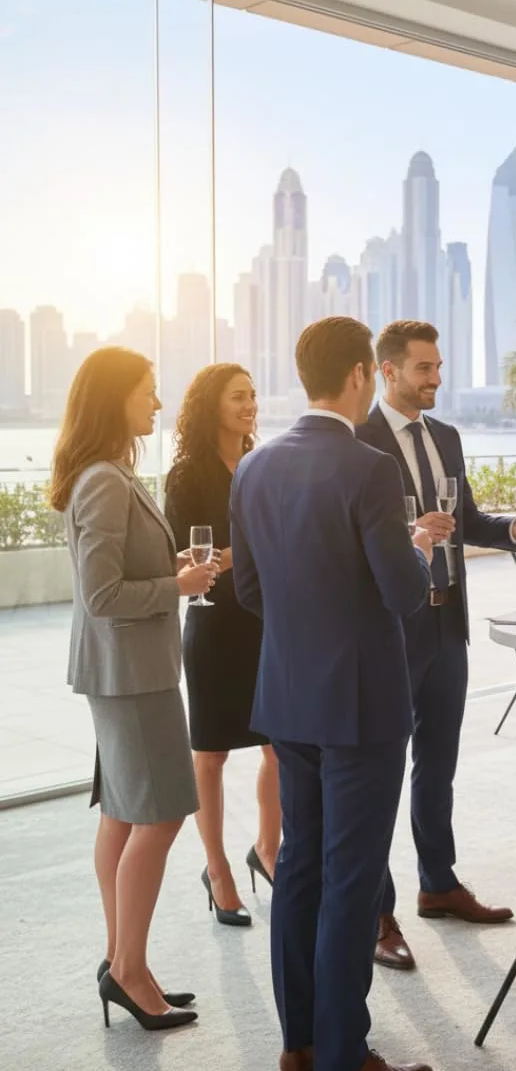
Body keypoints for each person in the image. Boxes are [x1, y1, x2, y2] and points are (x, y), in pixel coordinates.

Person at [230, 316, 435, 1071]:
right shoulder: (370, 467)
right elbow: (404, 595)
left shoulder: (253, 468)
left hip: (287, 698)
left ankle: (300, 1044)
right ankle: (346, 1053)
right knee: (352, 879)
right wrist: (418, 549)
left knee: (300, 869)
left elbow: (250, 590)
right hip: (362, 707)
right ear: (359, 375)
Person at [355, 319, 516, 971]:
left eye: (438, 366)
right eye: (424, 368)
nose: (436, 378)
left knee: (437, 766)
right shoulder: (358, 443)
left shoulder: (445, 436)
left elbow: (469, 520)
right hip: (391, 630)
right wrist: (409, 534)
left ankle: (437, 883)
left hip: (447, 624)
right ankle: (377, 911)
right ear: (388, 372)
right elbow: (356, 547)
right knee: (380, 777)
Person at [50, 346, 216, 1031]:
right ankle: (126, 970)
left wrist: (169, 566)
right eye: (148, 391)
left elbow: (116, 576)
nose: (157, 402)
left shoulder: (110, 474)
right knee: (162, 814)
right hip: (132, 675)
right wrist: (175, 586)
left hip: (122, 670)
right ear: (114, 397)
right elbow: (103, 593)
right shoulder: (104, 481)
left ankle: (127, 963)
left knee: (122, 813)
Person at [164, 363, 278, 928]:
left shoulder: (262, 464)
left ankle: (267, 848)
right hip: (212, 624)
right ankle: (217, 868)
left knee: (279, 743)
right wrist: (243, 552)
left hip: (264, 619)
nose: (250, 404)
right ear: (212, 405)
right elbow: (187, 560)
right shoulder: (184, 476)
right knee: (208, 756)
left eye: (253, 395)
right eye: (238, 396)